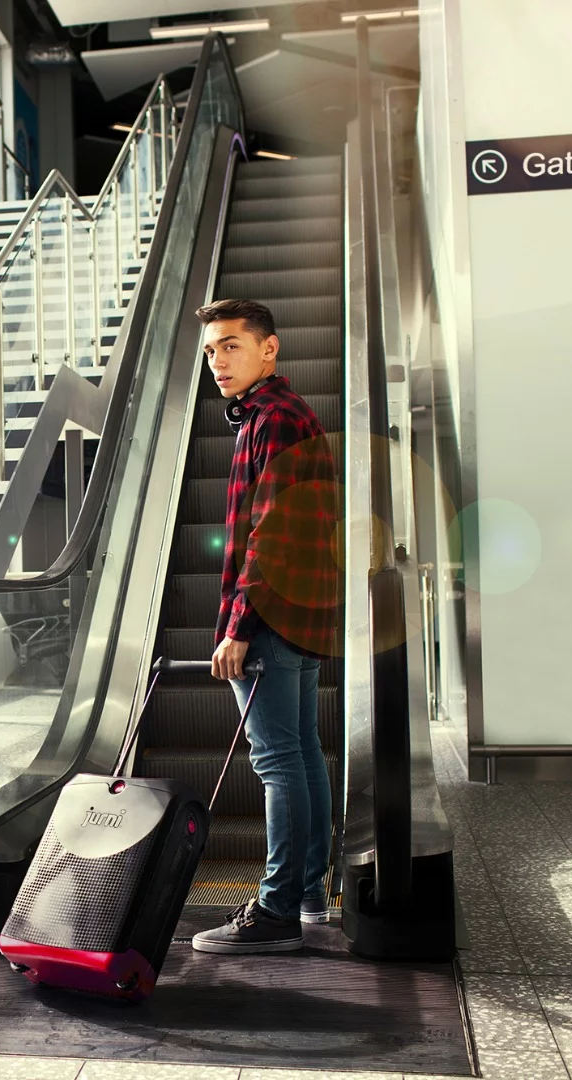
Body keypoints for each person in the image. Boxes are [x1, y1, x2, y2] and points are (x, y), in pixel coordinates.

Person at [189, 298, 342, 955]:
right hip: (302, 614)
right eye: (210, 351)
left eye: (230, 346)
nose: (218, 362)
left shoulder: (273, 420)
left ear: (269, 348)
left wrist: (238, 625)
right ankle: (310, 897)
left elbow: (270, 532)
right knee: (301, 753)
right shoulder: (280, 415)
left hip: (272, 618)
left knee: (279, 761)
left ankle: (278, 910)